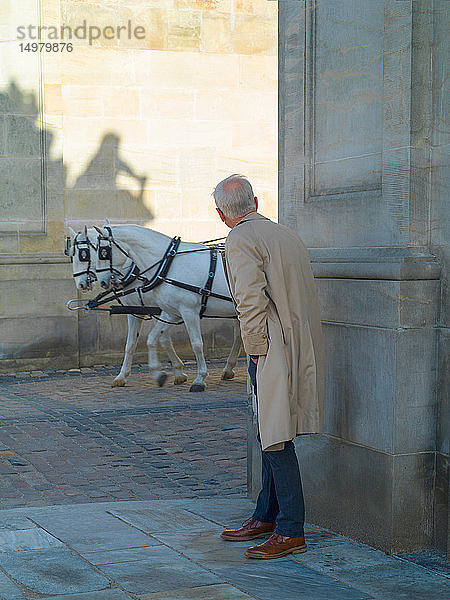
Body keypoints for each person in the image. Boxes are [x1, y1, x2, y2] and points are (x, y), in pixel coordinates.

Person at [213, 174, 324, 559]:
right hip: (298, 341)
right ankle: (267, 514)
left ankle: (291, 528)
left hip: (271, 344)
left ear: (220, 214)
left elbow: (248, 299)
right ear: (255, 201)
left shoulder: (241, 238)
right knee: (269, 430)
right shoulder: (285, 234)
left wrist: (256, 350)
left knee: (275, 434)